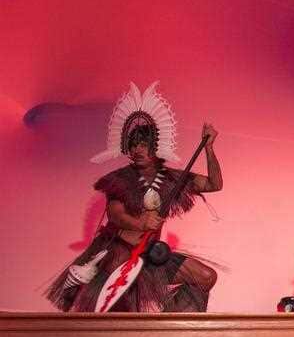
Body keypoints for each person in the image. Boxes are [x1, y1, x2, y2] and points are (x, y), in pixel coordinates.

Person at [47, 82, 222, 312]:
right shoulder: (120, 179)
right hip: (119, 256)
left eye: (143, 144)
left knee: (205, 277)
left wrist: (209, 148)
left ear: (155, 147)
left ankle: (170, 331)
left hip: (149, 257)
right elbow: (115, 213)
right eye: (133, 145)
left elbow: (213, 184)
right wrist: (141, 223)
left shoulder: (171, 179)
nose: (137, 150)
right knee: (115, 312)